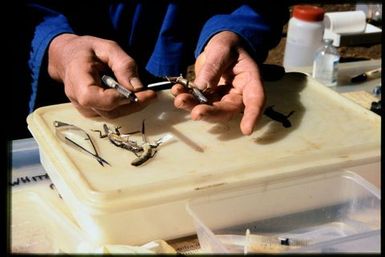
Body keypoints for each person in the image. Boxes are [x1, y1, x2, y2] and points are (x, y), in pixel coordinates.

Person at [13, 1, 288, 139]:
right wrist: (56, 46)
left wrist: (232, 31)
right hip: (38, 82)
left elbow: (257, 7)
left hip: (156, 63)